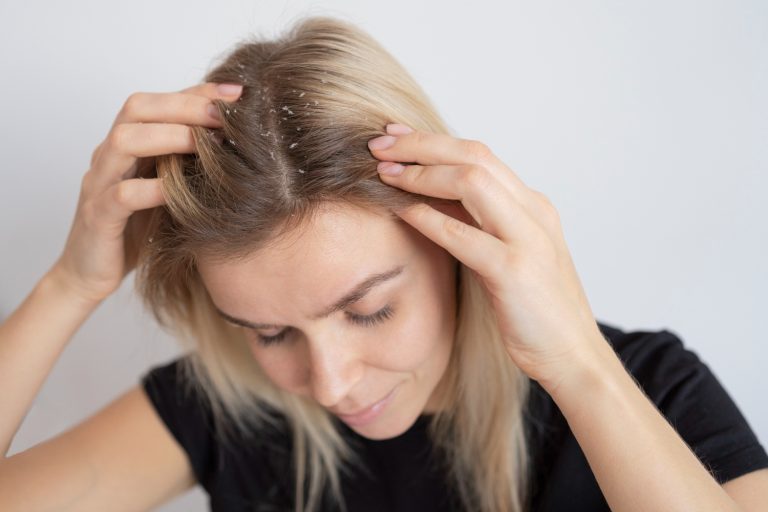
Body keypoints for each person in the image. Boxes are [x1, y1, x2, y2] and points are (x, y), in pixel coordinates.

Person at [0, 14, 766, 512]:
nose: (329, 383)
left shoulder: (651, 389)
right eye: (268, 334)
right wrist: (72, 285)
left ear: (454, 236)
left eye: (369, 309)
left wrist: (579, 368)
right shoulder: (222, 408)